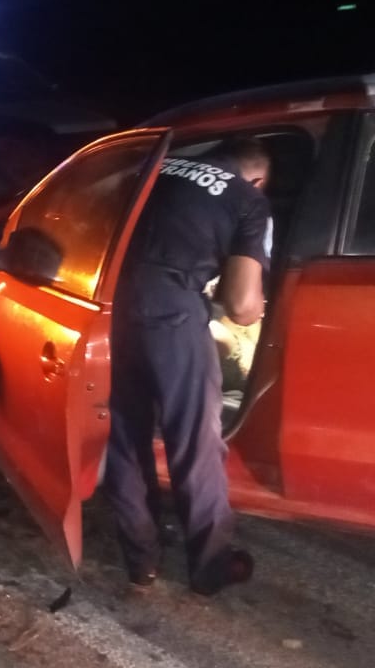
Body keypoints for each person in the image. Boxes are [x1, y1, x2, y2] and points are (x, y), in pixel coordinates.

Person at [103, 137, 271, 596]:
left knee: (124, 435)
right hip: (173, 315)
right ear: (255, 177)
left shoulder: (158, 169)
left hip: (110, 306)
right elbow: (240, 305)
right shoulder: (248, 200)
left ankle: (140, 563)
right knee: (194, 444)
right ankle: (210, 568)